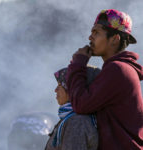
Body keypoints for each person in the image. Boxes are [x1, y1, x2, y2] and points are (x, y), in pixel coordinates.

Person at [66, 9, 143, 150]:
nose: (90, 37)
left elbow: (81, 105)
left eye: (96, 32)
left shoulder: (117, 69)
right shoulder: (117, 68)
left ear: (114, 39)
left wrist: (78, 64)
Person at [45, 66, 100, 150]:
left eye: (60, 85)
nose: (55, 90)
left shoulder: (78, 122)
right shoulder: (73, 118)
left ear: (72, 89)